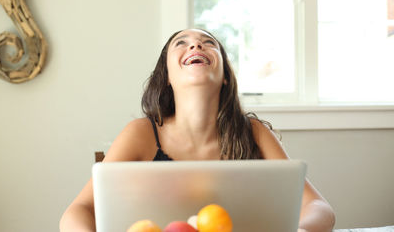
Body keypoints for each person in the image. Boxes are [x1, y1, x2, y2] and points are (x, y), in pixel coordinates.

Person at [59, 28, 335, 232]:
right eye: (182, 43)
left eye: (207, 43)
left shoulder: (254, 132)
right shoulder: (140, 134)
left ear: (225, 75)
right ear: (166, 75)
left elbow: (318, 207)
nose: (196, 47)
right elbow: (77, 211)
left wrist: (302, 231)